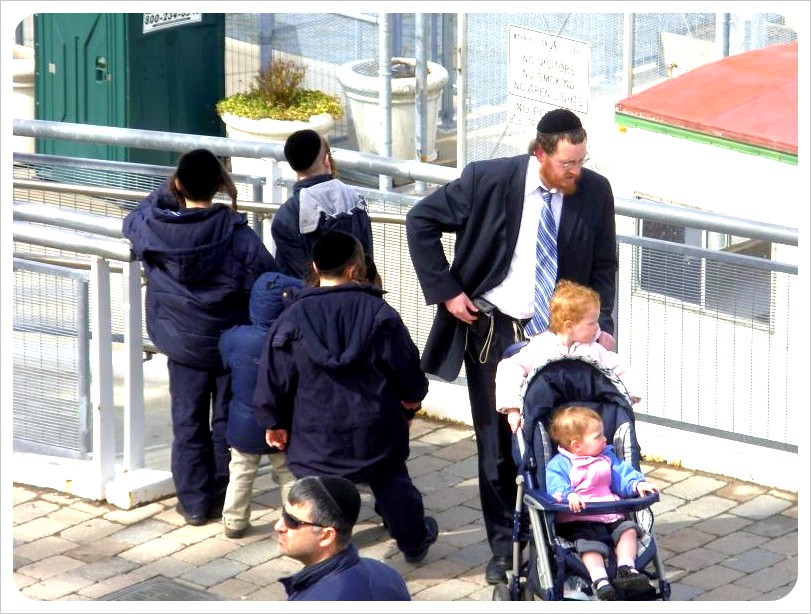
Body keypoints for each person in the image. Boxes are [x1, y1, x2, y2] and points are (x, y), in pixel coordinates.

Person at [406, 108, 618, 584]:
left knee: (565, 436)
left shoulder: (595, 190)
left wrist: (603, 326)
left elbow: (604, 264)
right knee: (497, 448)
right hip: (495, 334)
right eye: (567, 163)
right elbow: (419, 220)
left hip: (562, 338)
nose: (576, 172)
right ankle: (506, 547)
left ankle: (565, 534)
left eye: (581, 161)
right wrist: (446, 289)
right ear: (540, 154)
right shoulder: (488, 179)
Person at [253, 230, 439, 564]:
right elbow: (408, 371)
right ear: (355, 270)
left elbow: (272, 379)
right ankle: (413, 542)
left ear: (314, 266)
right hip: (376, 435)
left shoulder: (290, 319)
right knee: (394, 486)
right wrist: (411, 402)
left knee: (314, 496)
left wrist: (274, 422)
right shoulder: (380, 314)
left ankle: (319, 548)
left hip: (314, 441)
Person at [122, 148, 278, 526]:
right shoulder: (239, 236)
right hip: (228, 343)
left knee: (187, 420)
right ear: (221, 186)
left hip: (181, 346)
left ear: (177, 184)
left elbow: (134, 217)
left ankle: (192, 502)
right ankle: (222, 496)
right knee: (224, 419)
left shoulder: (155, 229)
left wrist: (169, 188)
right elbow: (267, 280)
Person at [218, 271, 304, 539]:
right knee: (288, 473)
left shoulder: (234, 337)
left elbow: (225, 360)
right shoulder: (293, 342)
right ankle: (293, 519)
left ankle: (234, 521)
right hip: (282, 423)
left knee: (241, 473)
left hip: (243, 423)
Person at [496, 279, 640, 433]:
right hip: (550, 425)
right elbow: (509, 368)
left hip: (589, 427)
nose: (598, 327)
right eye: (592, 323)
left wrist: (628, 395)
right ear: (569, 326)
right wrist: (513, 408)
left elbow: (620, 369)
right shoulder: (541, 347)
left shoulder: (595, 350)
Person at [545, 406, 658, 600]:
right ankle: (600, 580)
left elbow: (621, 475)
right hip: (579, 519)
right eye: (598, 436)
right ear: (577, 445)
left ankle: (626, 568)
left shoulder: (607, 457)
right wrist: (568, 495)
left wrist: (636, 484)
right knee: (589, 545)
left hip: (611, 513)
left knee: (629, 530)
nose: (605, 439)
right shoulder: (560, 464)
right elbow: (555, 485)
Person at [276, 475, 411, 600]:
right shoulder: (386, 574)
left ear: (327, 536)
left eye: (291, 520)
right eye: (283, 513)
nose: (278, 526)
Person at [271, 128, 376, 284]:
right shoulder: (354, 199)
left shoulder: (288, 214)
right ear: (327, 160)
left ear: (293, 166)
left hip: (311, 304)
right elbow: (367, 261)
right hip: (359, 297)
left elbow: (300, 277)